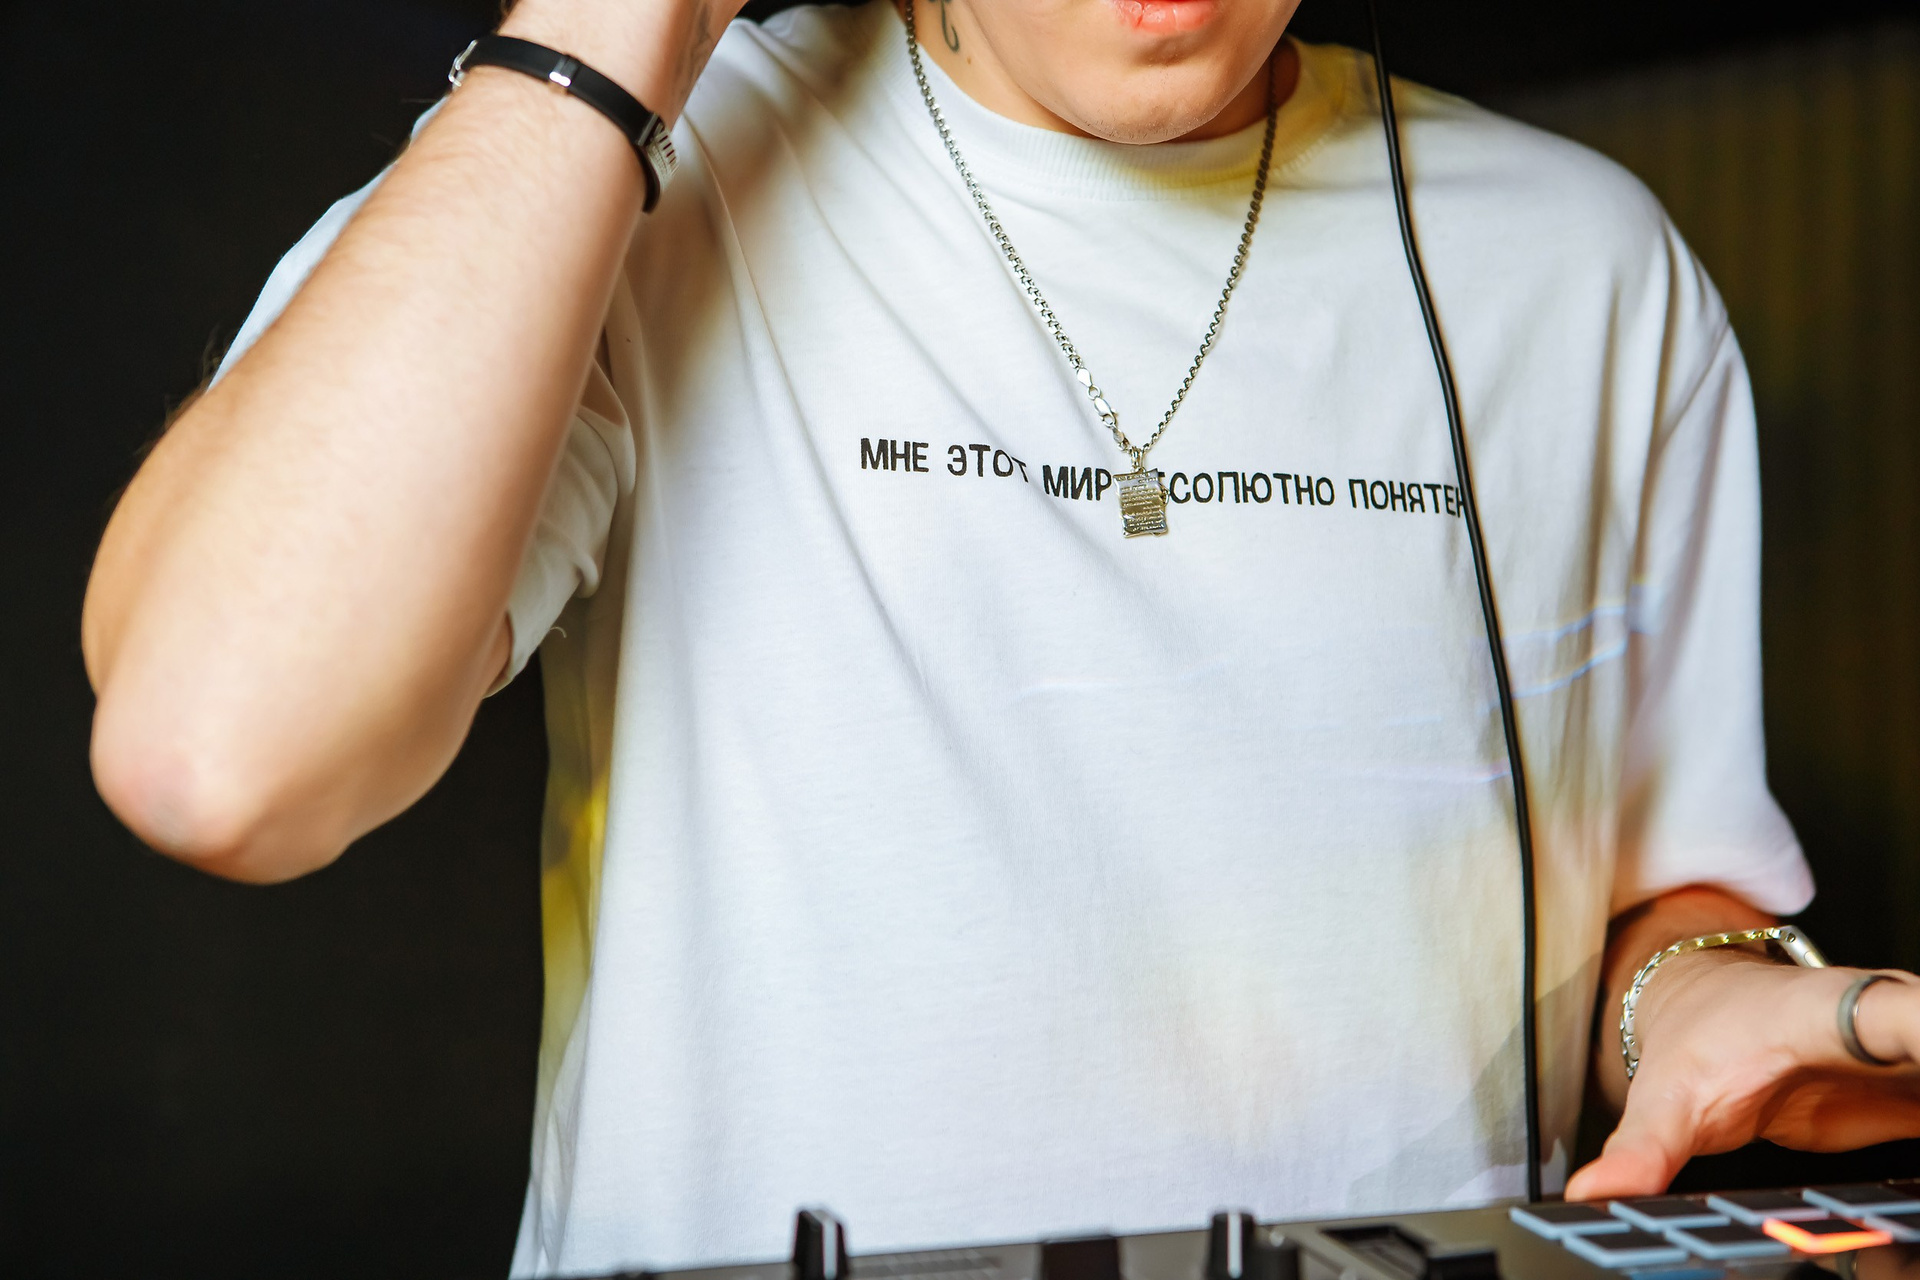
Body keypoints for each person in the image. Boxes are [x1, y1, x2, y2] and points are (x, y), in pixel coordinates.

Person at [81, 0, 1920, 1272]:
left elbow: (1640, 898)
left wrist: (1701, 992)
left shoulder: (1590, 270)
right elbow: (217, 752)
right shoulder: (623, 177)